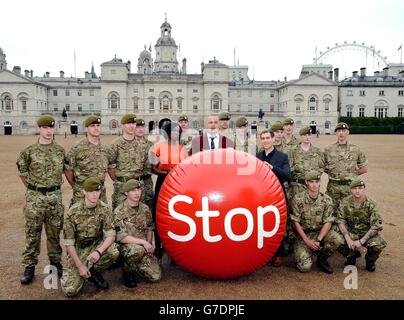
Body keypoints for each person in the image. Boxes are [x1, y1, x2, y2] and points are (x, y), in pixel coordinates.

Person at [16, 115, 67, 284]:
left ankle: (55, 263)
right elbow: (23, 174)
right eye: (45, 128)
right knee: (32, 233)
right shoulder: (28, 151)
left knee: (54, 233)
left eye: (51, 128)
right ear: (39, 128)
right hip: (34, 198)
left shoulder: (60, 151)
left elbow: (66, 172)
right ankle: (29, 266)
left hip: (54, 197)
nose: (48, 131)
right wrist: (36, 189)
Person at [60, 177, 119, 297]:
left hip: (96, 245)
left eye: (97, 191)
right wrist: (80, 266)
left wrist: (99, 251)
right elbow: (69, 244)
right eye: (91, 191)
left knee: (113, 251)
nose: (94, 195)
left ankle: (94, 271)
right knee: (70, 290)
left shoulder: (105, 209)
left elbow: (111, 235)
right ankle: (84, 269)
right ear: (84, 192)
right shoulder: (73, 212)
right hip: (79, 249)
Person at [114, 179, 162, 288]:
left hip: (143, 246)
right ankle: (127, 271)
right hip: (127, 246)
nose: (137, 193)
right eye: (133, 191)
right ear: (126, 193)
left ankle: (136, 264)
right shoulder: (119, 211)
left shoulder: (145, 208)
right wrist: (143, 243)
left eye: (138, 190)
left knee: (156, 276)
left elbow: (150, 227)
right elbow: (120, 237)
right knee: (137, 250)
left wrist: (149, 244)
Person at [291, 171, 341, 274]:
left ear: (320, 182)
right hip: (304, 235)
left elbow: (328, 222)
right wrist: (307, 240)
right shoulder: (298, 199)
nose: (314, 185)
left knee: (336, 239)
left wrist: (319, 240)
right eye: (311, 182)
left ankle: (322, 259)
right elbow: (295, 222)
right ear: (306, 182)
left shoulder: (327, 200)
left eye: (317, 181)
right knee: (304, 267)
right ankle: (307, 251)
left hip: (320, 233)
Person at [151, 122, 188, 258]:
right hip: (163, 181)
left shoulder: (181, 148)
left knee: (176, 213)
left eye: (178, 131)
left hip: (177, 184)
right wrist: (165, 174)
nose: (176, 133)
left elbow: (186, 167)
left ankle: (174, 247)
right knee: (159, 212)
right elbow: (153, 168)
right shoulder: (158, 147)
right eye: (173, 131)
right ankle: (159, 247)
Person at [256, 129, 291, 267]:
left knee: (278, 225)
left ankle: (279, 253)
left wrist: (272, 168)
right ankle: (263, 252)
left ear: (272, 139)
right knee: (263, 224)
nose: (265, 140)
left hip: (277, 196)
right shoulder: (257, 157)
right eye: (263, 138)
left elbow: (288, 175)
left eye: (267, 138)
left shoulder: (282, 157)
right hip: (261, 197)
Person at [335, 178, 387, 272]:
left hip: (366, 233)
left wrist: (361, 241)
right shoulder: (344, 202)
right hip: (350, 232)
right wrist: (348, 238)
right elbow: (340, 221)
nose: (357, 191)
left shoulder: (371, 203)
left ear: (364, 189)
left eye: (360, 188)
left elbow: (376, 226)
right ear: (350, 190)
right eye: (354, 188)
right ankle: (351, 255)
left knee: (379, 243)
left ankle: (370, 261)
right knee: (335, 239)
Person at [65, 115, 112, 206]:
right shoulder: (77, 147)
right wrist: (76, 186)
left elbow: (110, 167)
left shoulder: (105, 148)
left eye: (98, 125)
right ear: (86, 128)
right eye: (93, 126)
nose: (96, 128)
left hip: (100, 194)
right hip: (82, 194)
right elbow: (68, 169)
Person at [324, 122, 368, 206]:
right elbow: (323, 166)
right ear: (336, 133)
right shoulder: (328, 149)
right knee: (332, 211)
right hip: (333, 187)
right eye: (339, 131)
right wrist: (334, 173)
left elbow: (364, 168)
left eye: (343, 131)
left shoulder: (355, 149)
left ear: (348, 132)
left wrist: (352, 174)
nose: (341, 133)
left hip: (349, 187)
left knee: (348, 212)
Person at [290, 126, 325, 197]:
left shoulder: (317, 151)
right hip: (298, 186)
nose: (307, 137)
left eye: (309, 135)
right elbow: (289, 168)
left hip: (313, 187)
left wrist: (314, 177)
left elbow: (322, 166)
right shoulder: (293, 151)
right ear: (301, 136)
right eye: (304, 135)